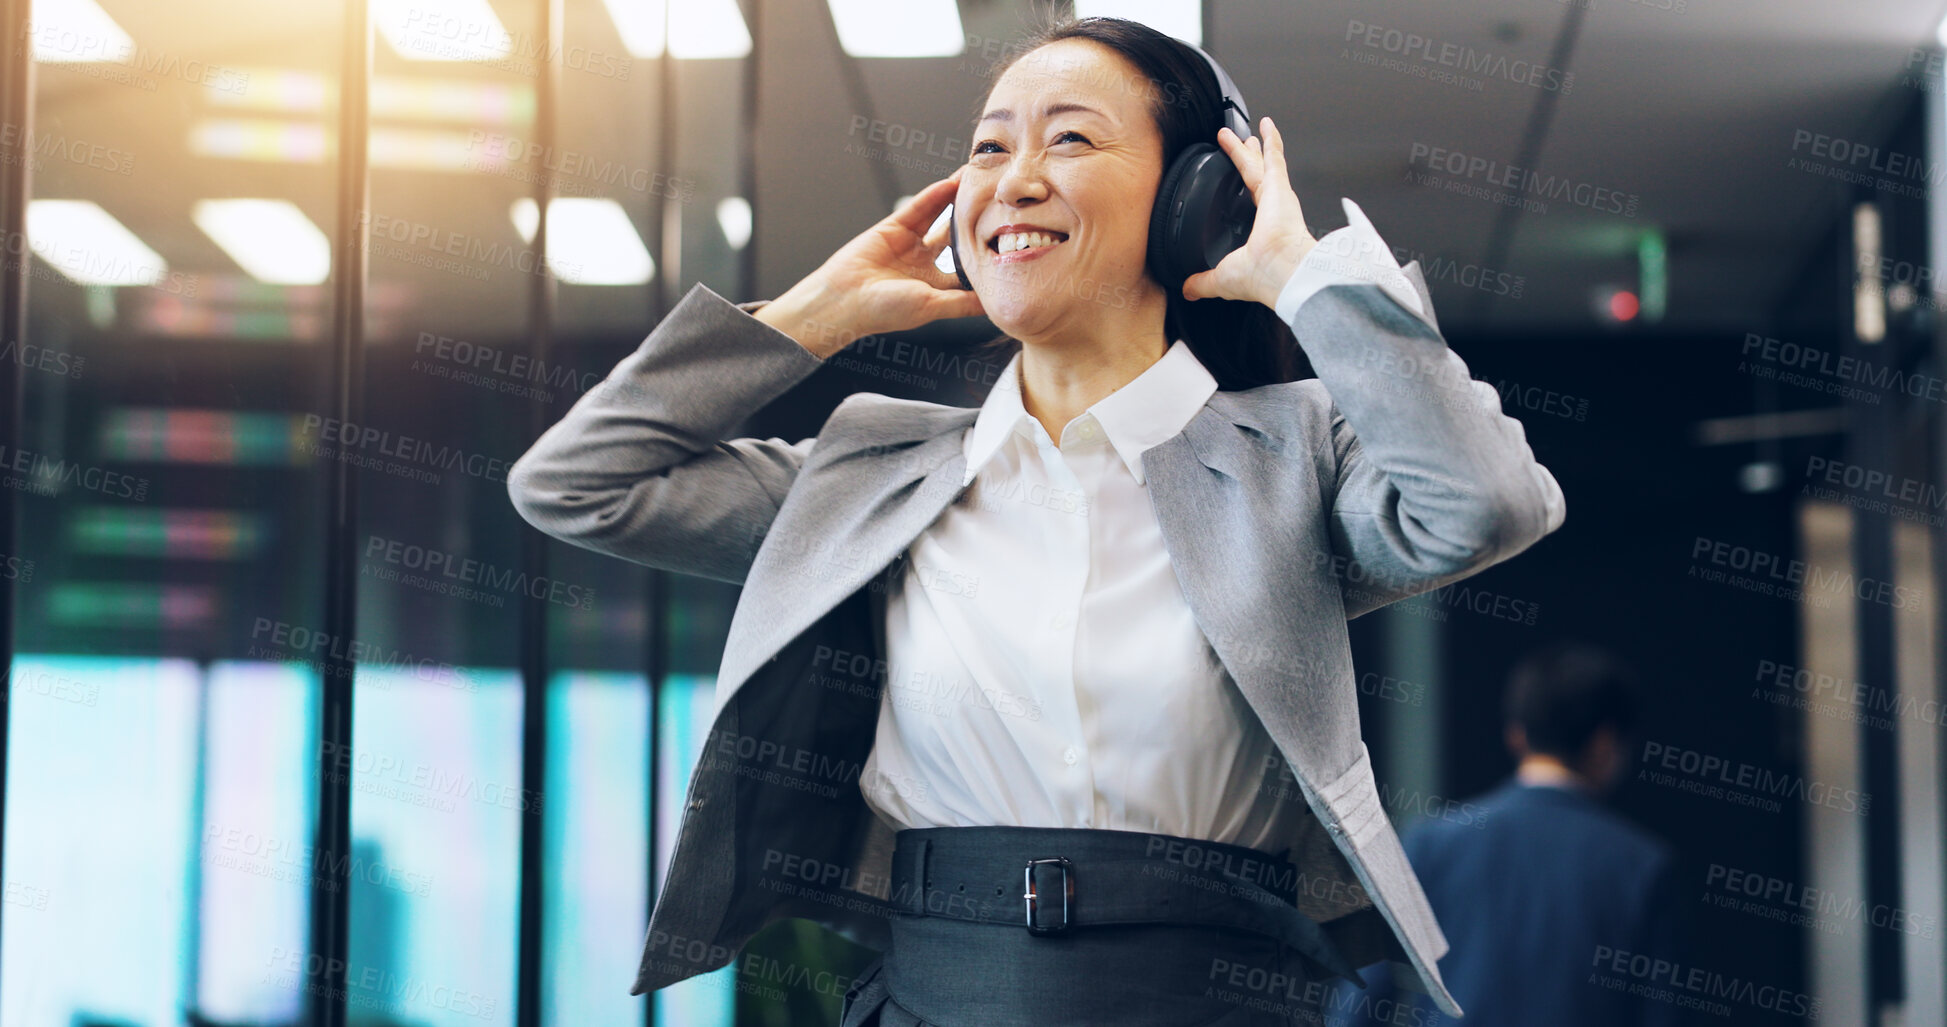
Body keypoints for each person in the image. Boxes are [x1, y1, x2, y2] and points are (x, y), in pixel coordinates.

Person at [507, 15, 1565, 1026]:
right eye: (987, 147)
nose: (1014, 178)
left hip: (1222, 997)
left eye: (1070, 139)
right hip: (938, 991)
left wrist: (1303, 279)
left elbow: (1486, 503)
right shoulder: (870, 471)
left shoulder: (1293, 455)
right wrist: (811, 318)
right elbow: (577, 482)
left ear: (1195, 196)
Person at [1326, 643, 1684, 1027]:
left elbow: (1360, 1005)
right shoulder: (1643, 867)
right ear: (1605, 742)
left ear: (1516, 735)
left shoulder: (1431, 843)